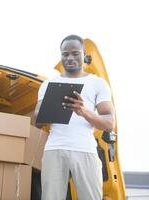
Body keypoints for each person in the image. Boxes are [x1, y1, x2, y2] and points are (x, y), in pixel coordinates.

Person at [34, 35, 115, 200]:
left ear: (84, 54)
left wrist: (83, 111)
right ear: (61, 55)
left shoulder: (98, 83)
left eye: (75, 53)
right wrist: (53, 109)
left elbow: (109, 123)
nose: (70, 58)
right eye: (65, 54)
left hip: (86, 150)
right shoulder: (48, 84)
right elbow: (36, 120)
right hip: (55, 149)